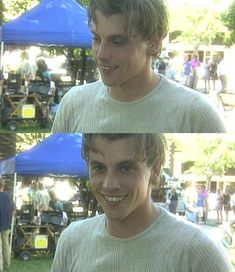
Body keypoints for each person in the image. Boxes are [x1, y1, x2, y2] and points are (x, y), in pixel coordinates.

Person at [51, 134, 233, 272]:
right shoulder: (72, 241)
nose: (110, 184)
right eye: (99, 168)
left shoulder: (195, 252)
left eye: (126, 168)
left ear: (155, 170)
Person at [52, 0, 226, 133]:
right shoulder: (73, 104)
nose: (101, 54)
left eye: (118, 42)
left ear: (154, 43)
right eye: (96, 39)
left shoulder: (195, 115)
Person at [0, 180, 14, 272]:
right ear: (3, 186)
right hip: (6, 224)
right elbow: (14, 210)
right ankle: (7, 264)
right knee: (6, 245)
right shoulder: (8, 196)